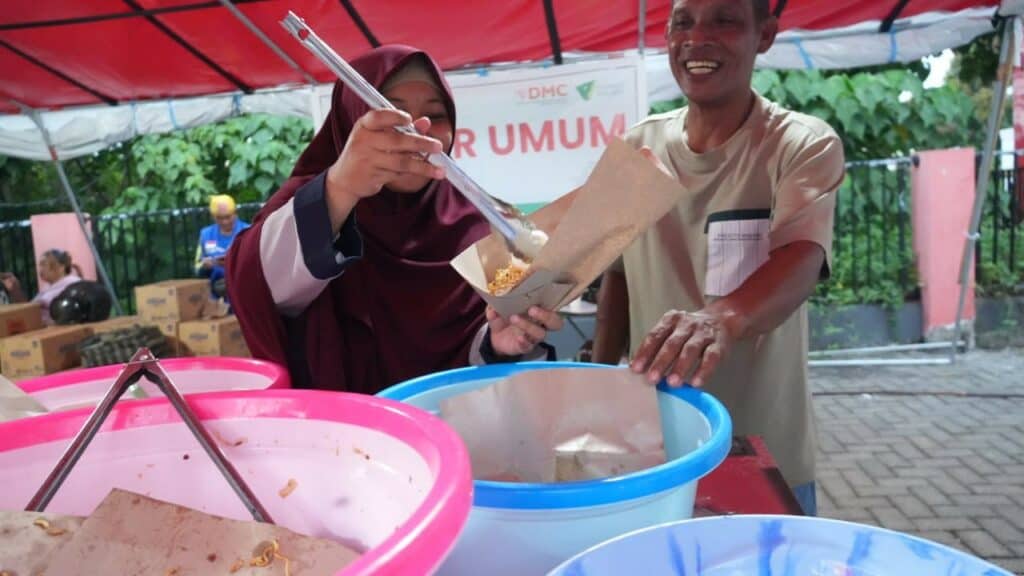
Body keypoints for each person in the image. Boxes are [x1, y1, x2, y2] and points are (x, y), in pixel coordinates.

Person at [592, 0, 845, 516]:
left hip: (762, 447)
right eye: (682, 22)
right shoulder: (636, 148)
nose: (697, 38)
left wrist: (719, 319)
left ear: (765, 34)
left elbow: (801, 257)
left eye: (724, 20)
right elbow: (616, 276)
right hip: (655, 454)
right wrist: (598, 388)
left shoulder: (800, 144)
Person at [227, 45, 563, 394]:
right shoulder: (312, 199)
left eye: (437, 115)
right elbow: (258, 289)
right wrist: (340, 188)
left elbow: (472, 355)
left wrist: (496, 345)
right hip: (343, 435)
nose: (419, 131)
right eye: (392, 115)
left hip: (444, 432)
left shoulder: (474, 224)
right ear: (351, 121)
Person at [0, 249, 85, 325]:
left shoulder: (72, 284)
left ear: (61, 267)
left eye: (44, 265)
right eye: (40, 265)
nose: (41, 269)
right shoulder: (48, 287)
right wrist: (14, 289)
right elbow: (28, 309)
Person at [196, 194, 249, 299]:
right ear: (213, 217)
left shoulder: (247, 231)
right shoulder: (205, 234)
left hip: (243, 288)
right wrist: (205, 265)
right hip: (215, 290)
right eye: (219, 218)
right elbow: (197, 266)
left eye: (228, 217)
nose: (225, 222)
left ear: (235, 214)